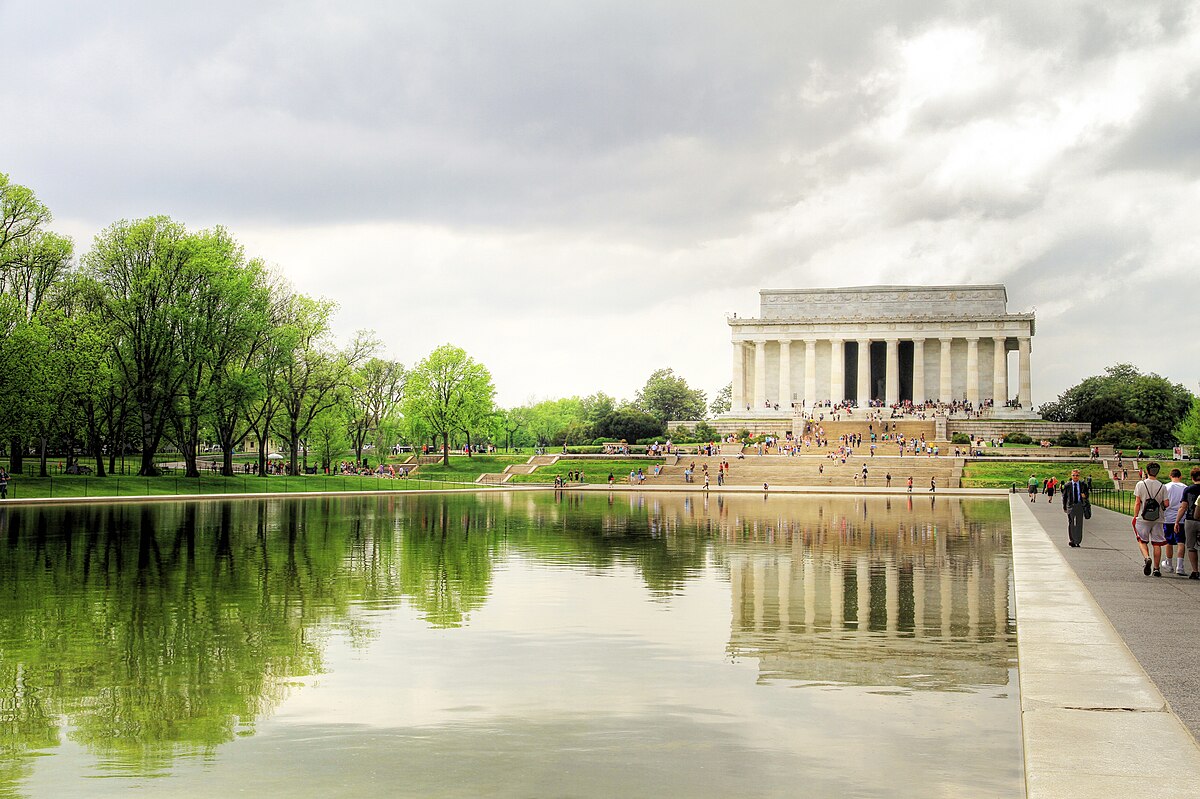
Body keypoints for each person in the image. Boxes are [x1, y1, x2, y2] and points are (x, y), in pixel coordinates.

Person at [1133, 462, 1168, 577]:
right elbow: (1166, 503)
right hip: (1158, 518)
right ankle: (1157, 569)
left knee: (1142, 541)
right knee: (1157, 543)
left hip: (1143, 517)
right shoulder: (1162, 486)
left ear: (1147, 471)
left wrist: (1135, 516)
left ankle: (1147, 558)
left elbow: (1138, 502)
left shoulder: (1140, 484)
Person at [1173, 466, 1200, 580]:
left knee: (1191, 547)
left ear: (1192, 477)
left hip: (1190, 520)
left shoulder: (1188, 490)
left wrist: (1177, 521)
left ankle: (1195, 571)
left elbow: (1183, 507)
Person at [1162, 468, 1189, 574]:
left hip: (1168, 517)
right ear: (1180, 476)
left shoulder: (1166, 487)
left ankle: (1169, 563)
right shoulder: (1185, 488)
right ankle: (1180, 566)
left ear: (1170, 476)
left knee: (1169, 541)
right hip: (1181, 517)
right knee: (1181, 541)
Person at [1061, 468, 1089, 547]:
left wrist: (1084, 496)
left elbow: (1087, 495)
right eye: (1074, 475)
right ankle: (1072, 540)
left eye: (1077, 475)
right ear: (1071, 476)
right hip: (1071, 506)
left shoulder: (1083, 485)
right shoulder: (1067, 485)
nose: (1075, 477)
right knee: (1071, 523)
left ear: (1079, 476)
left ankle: (1078, 540)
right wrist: (1065, 507)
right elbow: (1064, 497)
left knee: (1079, 523)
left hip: (1080, 505)